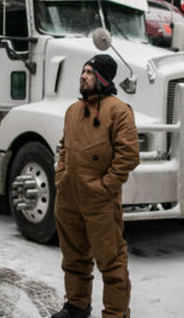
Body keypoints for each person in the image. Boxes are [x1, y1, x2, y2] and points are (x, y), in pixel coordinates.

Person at [53, 54, 140, 318]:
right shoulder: (72, 111)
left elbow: (129, 155)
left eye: (89, 72)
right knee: (73, 259)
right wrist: (61, 177)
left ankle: (115, 313)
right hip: (68, 199)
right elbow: (64, 148)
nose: (83, 76)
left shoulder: (118, 110)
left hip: (99, 201)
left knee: (111, 262)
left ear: (102, 78)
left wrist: (106, 186)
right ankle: (77, 306)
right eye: (83, 71)